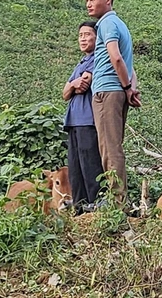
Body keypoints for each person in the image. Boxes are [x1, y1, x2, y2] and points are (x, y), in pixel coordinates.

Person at [85, 0, 139, 203]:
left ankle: (117, 203)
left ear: (108, 0)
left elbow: (116, 57)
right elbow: (130, 65)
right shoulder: (119, 24)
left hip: (107, 91)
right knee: (113, 145)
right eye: (87, 0)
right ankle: (118, 199)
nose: (89, 4)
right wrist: (129, 88)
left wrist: (126, 87)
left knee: (109, 148)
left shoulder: (107, 24)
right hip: (116, 91)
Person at [61, 21, 105, 212]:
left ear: (98, 37)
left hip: (88, 119)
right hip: (73, 121)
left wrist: (73, 85)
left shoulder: (98, 59)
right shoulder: (81, 62)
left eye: (87, 34)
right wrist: (72, 85)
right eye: (80, 35)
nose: (83, 38)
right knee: (75, 166)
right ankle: (79, 206)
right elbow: (65, 93)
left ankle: (95, 204)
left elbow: (83, 85)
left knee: (90, 164)